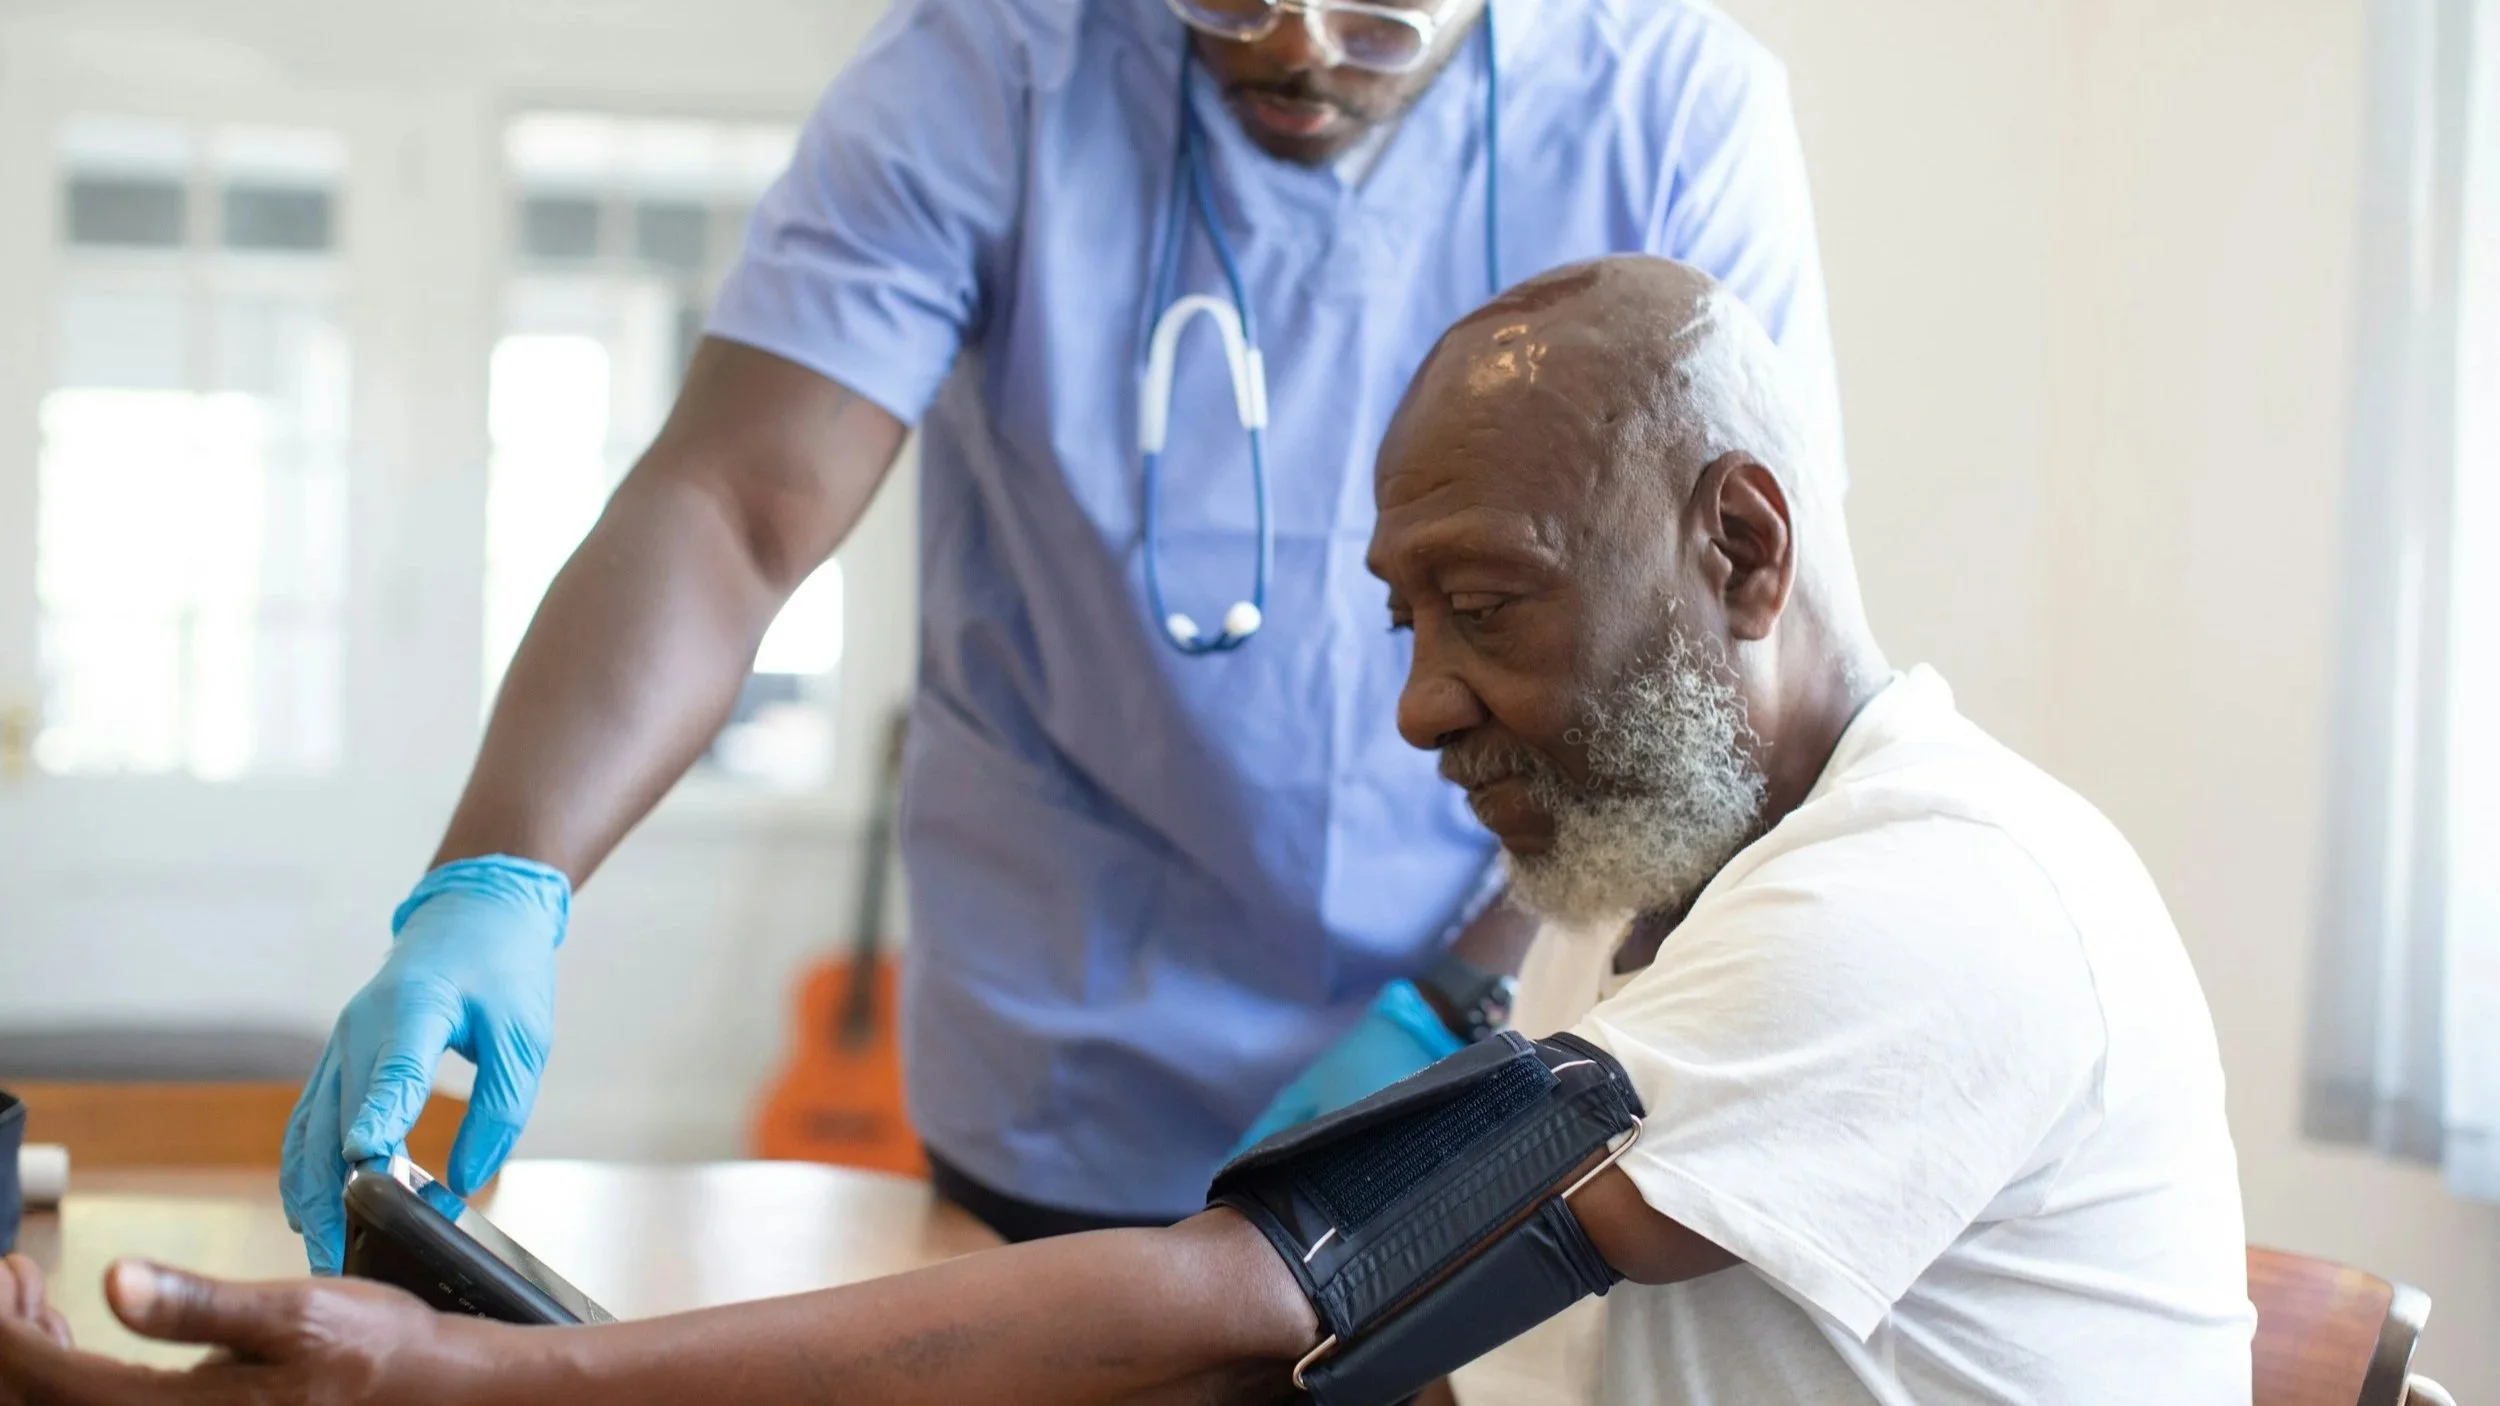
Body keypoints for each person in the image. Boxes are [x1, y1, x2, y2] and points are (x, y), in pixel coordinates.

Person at [0, 256, 2250, 1406]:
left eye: (1482, 607)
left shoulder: (1927, 906)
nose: (1417, 701)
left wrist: (526, 1381)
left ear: (1741, 550)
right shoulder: (1697, 897)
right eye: (1400, 616)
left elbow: (1261, 1304)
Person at [277, 0, 1845, 1260]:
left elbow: (1711, 642)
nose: (1294, 45)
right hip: (1059, 1053)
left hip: (1465, 1061)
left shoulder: (1671, 107)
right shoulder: (987, 65)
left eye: (1379, 18)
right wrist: (504, 871)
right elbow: (737, 506)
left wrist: (1461, 992)